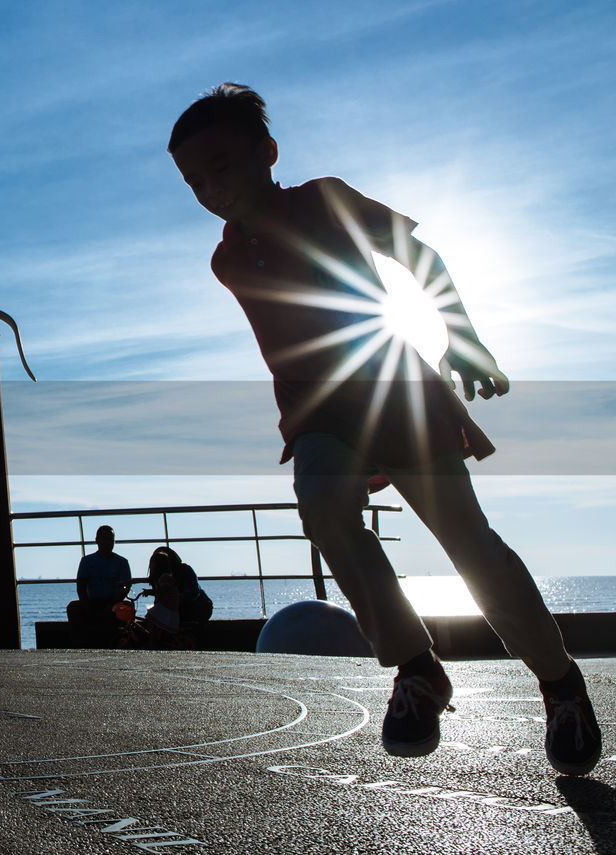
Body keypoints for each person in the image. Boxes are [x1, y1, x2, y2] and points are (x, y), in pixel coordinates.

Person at [166, 83, 600, 775]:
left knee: (469, 545)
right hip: (320, 417)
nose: (209, 188)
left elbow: (417, 257)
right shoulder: (225, 261)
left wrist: (460, 337)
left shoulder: (322, 200)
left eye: (222, 167)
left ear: (267, 153)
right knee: (321, 503)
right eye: (193, 181)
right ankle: (416, 663)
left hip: (396, 393)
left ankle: (559, 681)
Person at [67, 525, 132, 644]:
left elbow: (125, 588)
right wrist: (87, 605)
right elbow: (80, 587)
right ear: (97, 540)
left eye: (111, 539)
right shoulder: (87, 561)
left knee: (128, 607)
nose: (108, 543)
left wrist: (112, 604)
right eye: (105, 539)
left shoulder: (122, 562)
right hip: (92, 602)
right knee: (73, 608)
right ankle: (79, 645)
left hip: (114, 603)